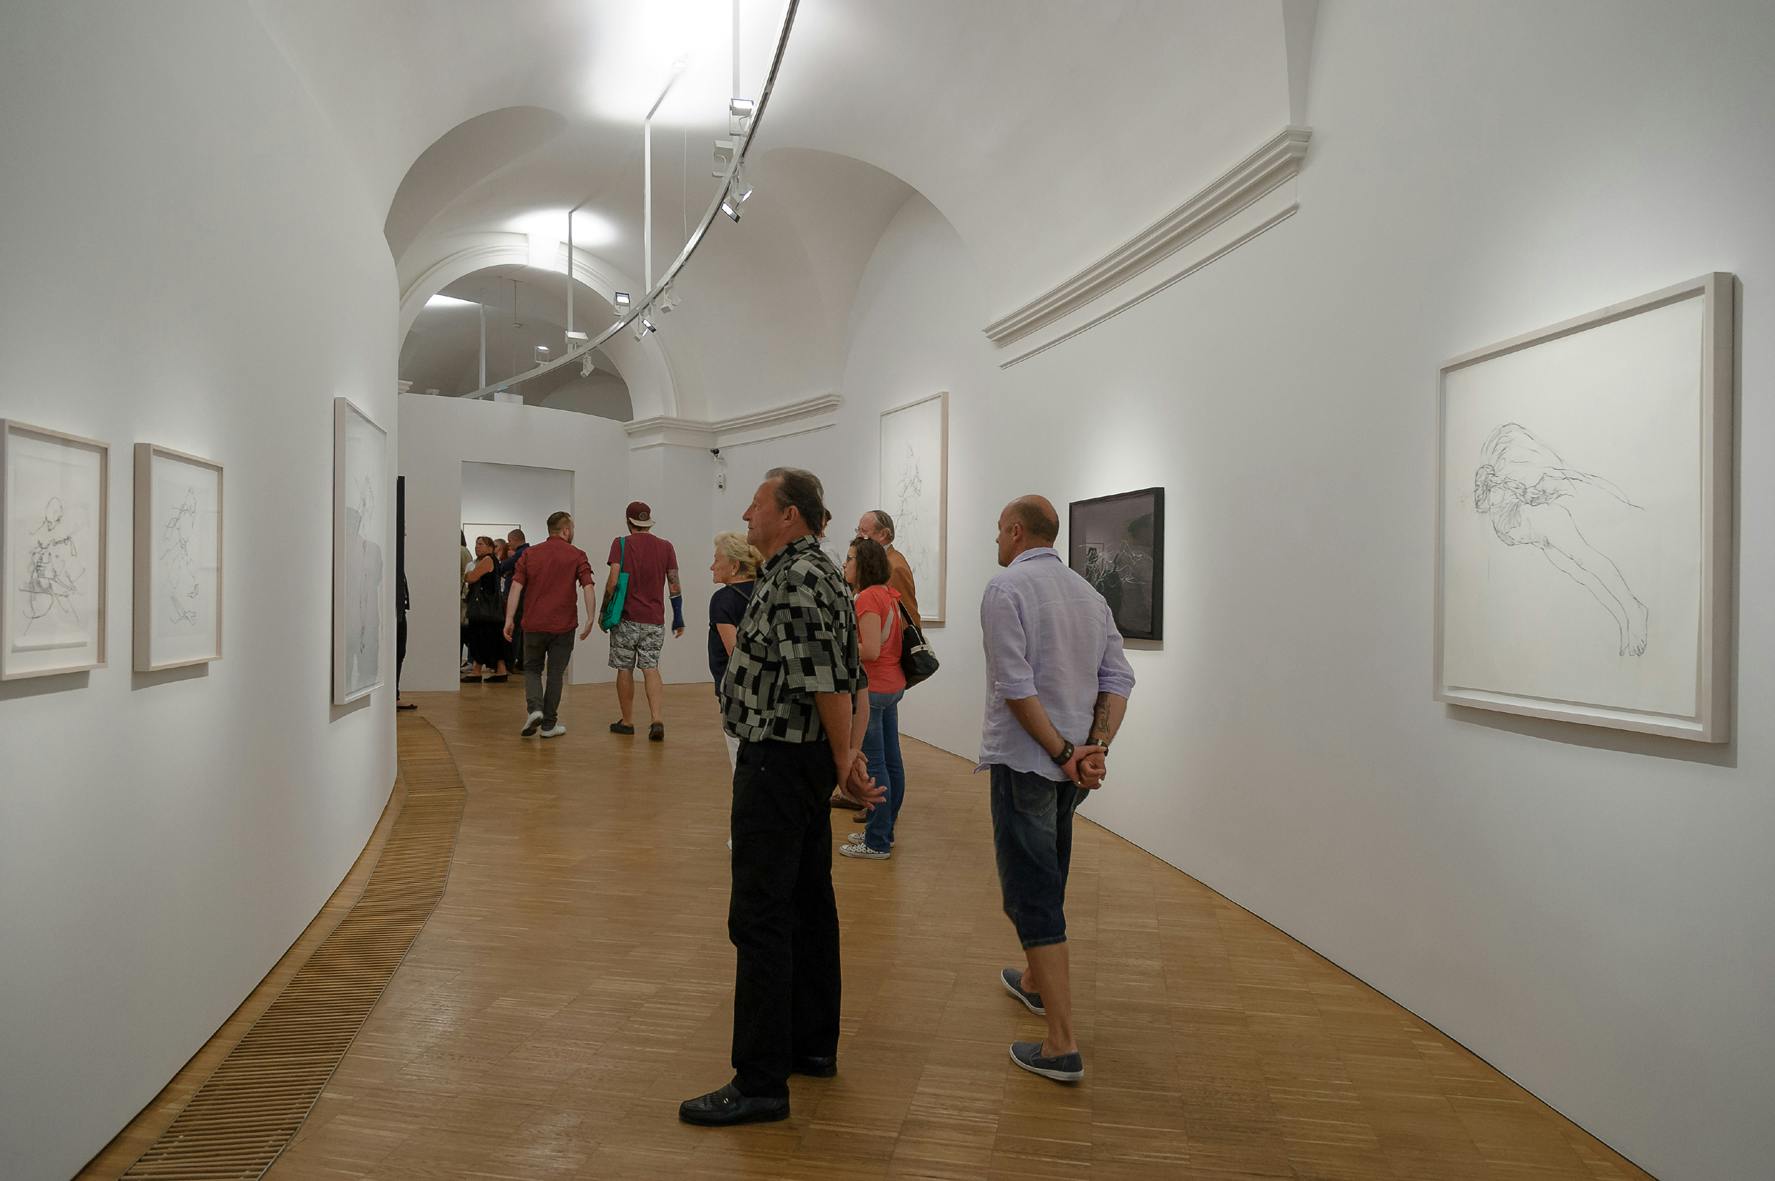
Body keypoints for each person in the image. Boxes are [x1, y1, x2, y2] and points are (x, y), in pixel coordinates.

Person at [678, 468, 883, 1128]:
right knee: (804, 904)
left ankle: (761, 1079)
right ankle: (809, 1047)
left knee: (761, 914)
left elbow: (828, 678)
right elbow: (844, 673)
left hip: (777, 763)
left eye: (757, 503)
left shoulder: (796, 575)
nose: (746, 512)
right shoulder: (804, 568)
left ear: (789, 514)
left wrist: (845, 759)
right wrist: (841, 754)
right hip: (796, 762)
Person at [980, 495, 1134, 1085]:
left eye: (998, 529)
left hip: (1030, 765)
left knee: (1031, 891)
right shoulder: (1089, 595)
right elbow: (1117, 677)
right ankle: (1035, 981)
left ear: (1017, 531)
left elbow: (1015, 687)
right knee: (1052, 871)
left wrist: (1066, 753)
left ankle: (1061, 1044)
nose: (996, 540)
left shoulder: (1006, 590)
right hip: (1071, 771)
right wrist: (1095, 750)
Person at [839, 536, 907, 861]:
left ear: (863, 564)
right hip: (892, 686)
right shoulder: (887, 594)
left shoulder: (866, 597)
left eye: (850, 559)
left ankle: (877, 840)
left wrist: (837, 647)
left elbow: (870, 649)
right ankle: (885, 831)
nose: (845, 564)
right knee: (891, 762)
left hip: (874, 689)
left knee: (876, 764)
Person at [504, 511, 597, 738]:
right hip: (563, 625)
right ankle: (548, 724)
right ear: (566, 530)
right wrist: (590, 617)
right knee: (555, 673)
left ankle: (535, 709)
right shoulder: (577, 555)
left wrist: (509, 618)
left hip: (533, 623)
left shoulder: (531, 554)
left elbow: (516, 587)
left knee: (532, 669)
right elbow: (588, 586)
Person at [601, 501, 683, 741]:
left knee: (624, 668)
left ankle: (627, 721)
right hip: (654, 620)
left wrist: (604, 611)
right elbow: (674, 585)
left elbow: (613, 581)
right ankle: (656, 719)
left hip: (626, 618)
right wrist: (678, 617)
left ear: (628, 522)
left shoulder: (621, 544)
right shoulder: (666, 547)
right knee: (651, 668)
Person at [707, 530, 761, 771]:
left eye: (717, 559)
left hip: (738, 692)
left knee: (740, 760)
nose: (712, 566)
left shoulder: (723, 600)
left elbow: (736, 652)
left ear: (734, 566)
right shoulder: (765, 590)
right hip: (768, 689)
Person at [856, 509, 920, 630]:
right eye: (858, 530)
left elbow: (907, 615)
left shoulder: (895, 567)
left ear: (883, 534)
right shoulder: (878, 563)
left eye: (863, 531)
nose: (858, 536)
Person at [461, 536, 510, 683]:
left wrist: (467, 574)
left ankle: (477, 671)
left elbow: (471, 577)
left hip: (484, 610)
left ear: (490, 548)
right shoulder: (492, 561)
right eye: (476, 544)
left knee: (480, 638)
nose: (477, 547)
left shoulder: (487, 560)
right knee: (493, 639)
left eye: (481, 544)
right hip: (491, 611)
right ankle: (500, 671)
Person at [499, 528, 530, 670]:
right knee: (522, 630)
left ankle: (510, 662)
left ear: (516, 540)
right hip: (526, 597)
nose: (509, 544)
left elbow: (503, 567)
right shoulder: (527, 552)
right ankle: (521, 661)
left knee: (515, 629)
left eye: (510, 541)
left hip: (518, 597)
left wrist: (507, 557)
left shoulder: (520, 554)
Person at [395, 568, 416, 710]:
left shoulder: (396, 559)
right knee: (396, 652)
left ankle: (394, 696)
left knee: (400, 652)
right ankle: (392, 696)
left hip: (400, 611)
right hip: (394, 611)